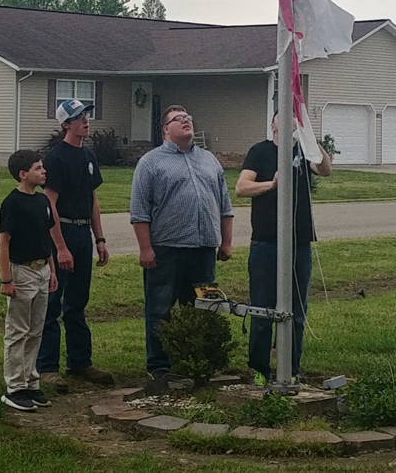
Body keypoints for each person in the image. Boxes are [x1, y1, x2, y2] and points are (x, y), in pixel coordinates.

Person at [130, 104, 234, 380]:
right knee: (160, 308)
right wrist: (145, 248)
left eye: (188, 117)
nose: (186, 121)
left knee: (203, 307)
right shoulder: (151, 163)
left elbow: (225, 205)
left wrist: (226, 242)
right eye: (178, 119)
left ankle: (196, 362)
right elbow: (139, 211)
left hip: (203, 249)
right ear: (165, 129)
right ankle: (160, 366)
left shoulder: (210, 160)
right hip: (166, 249)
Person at [235, 111, 332, 385]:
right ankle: (260, 369)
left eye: (294, 117)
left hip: (299, 243)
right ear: (273, 124)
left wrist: (311, 139)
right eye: (284, 117)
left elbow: (325, 169)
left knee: (297, 313)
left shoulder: (304, 151)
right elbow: (241, 188)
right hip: (266, 243)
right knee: (263, 310)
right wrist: (272, 184)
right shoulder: (261, 151)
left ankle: (291, 369)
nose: (290, 120)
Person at [37, 99, 113, 392]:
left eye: (86, 115)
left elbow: (93, 200)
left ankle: (80, 361)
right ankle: (47, 367)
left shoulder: (88, 156)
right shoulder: (55, 159)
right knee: (53, 302)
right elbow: (49, 204)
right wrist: (61, 247)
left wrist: (100, 239)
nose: (86, 121)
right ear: (65, 124)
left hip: (83, 234)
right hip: (63, 232)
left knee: (78, 302)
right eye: (79, 117)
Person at [0, 150, 58, 411]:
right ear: (23, 174)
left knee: (36, 329)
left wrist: (52, 270)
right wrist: (6, 278)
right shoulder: (13, 202)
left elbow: (47, 238)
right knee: (18, 330)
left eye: (43, 167)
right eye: (38, 168)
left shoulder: (43, 201)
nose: (43, 172)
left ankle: (30, 381)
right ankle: (14, 387)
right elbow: (4, 241)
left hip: (43, 269)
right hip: (21, 271)